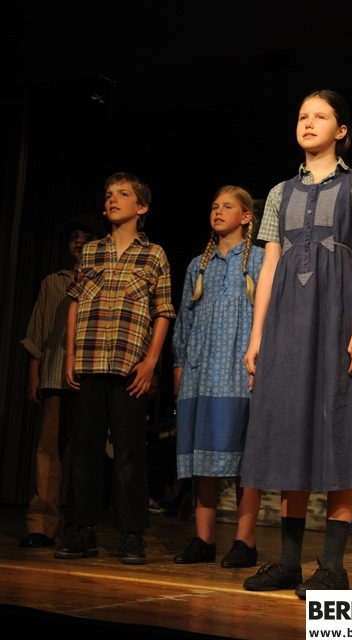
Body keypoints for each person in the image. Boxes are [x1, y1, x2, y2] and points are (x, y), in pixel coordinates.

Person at [240, 89, 352, 597]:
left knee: (340, 425)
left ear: (340, 130)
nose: (308, 123)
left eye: (320, 116)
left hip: (337, 318)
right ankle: (288, 563)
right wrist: (257, 337)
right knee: (289, 429)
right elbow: (269, 267)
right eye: (302, 115)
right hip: (286, 323)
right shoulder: (280, 192)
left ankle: (332, 566)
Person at [53, 171, 176, 564]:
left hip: (129, 366)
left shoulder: (153, 254)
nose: (112, 199)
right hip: (89, 362)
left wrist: (151, 361)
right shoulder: (91, 252)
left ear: (141, 207)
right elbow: (74, 302)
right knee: (84, 448)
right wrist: (70, 355)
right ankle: (82, 530)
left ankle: (131, 534)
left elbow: (163, 311)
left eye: (122, 194)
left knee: (129, 452)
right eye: (108, 194)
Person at [172, 185, 264, 567]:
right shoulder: (199, 264)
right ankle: (203, 539)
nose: (218, 211)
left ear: (246, 216)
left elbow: (270, 317)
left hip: (241, 370)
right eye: (214, 206)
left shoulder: (260, 260)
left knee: (246, 456)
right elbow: (185, 318)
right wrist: (180, 365)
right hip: (201, 370)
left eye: (228, 206)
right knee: (202, 456)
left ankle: (245, 541)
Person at [19, 214, 106, 548]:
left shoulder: (105, 277)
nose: (79, 242)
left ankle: (79, 525)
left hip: (90, 373)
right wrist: (34, 370)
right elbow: (39, 329)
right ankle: (42, 524)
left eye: (86, 237)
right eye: (74, 237)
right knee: (49, 449)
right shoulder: (53, 282)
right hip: (55, 373)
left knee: (84, 451)